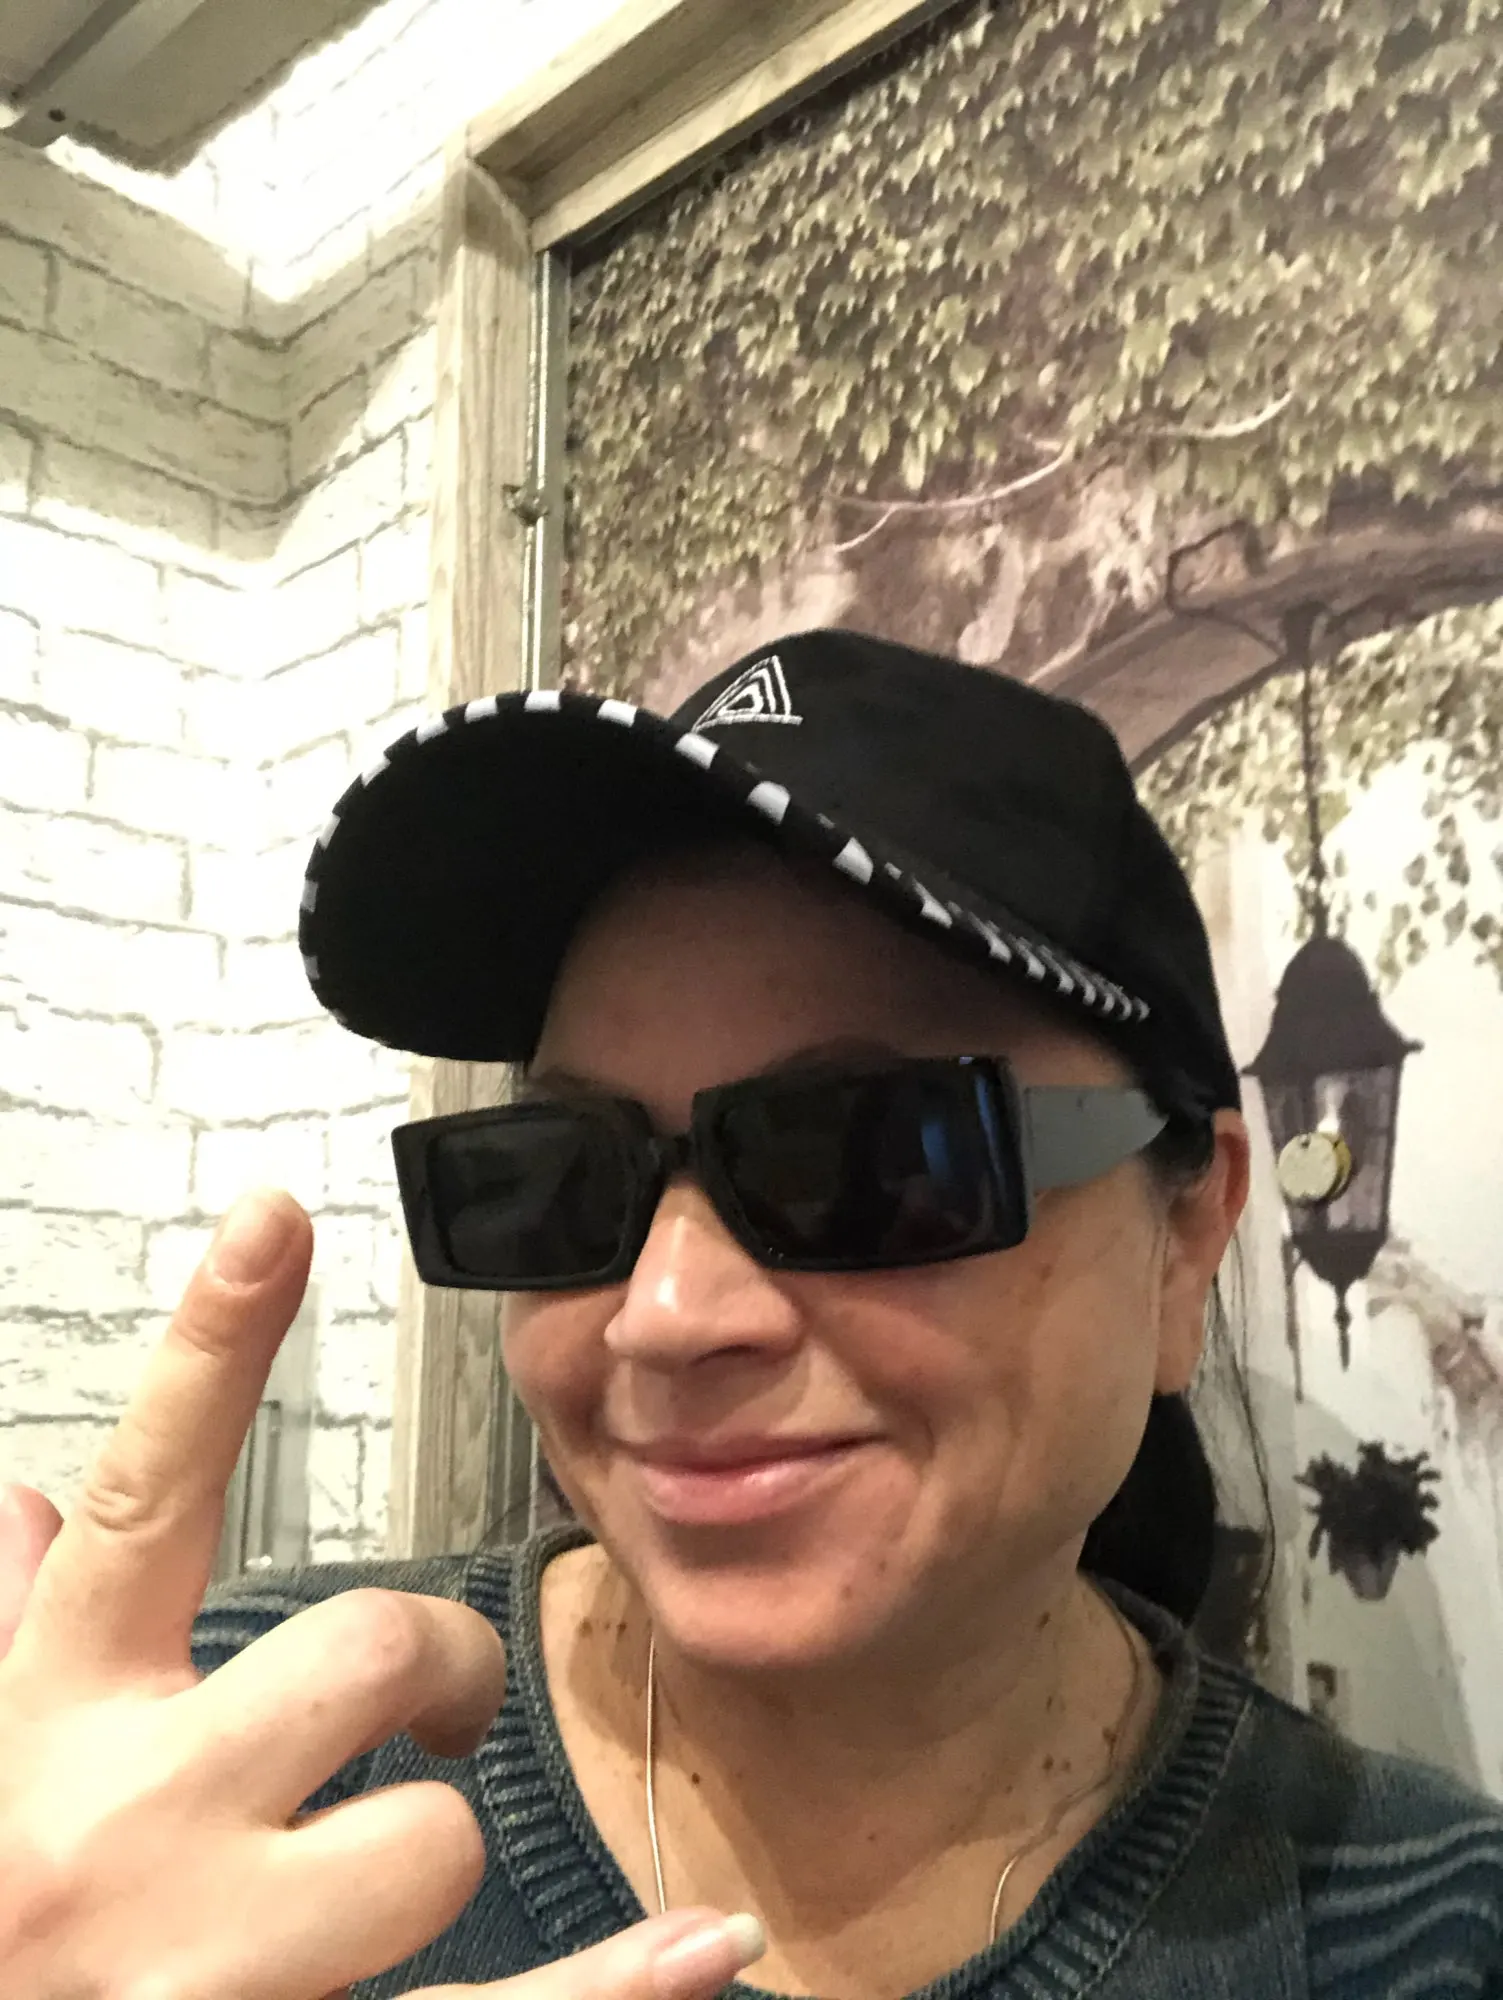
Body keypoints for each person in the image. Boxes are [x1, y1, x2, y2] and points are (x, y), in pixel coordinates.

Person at [1, 628, 1500, 2000]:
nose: (662, 1315)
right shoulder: (171, 1797)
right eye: (561, 1175)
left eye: (874, 1157)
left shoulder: (1424, 1930)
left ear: (1184, 1238)